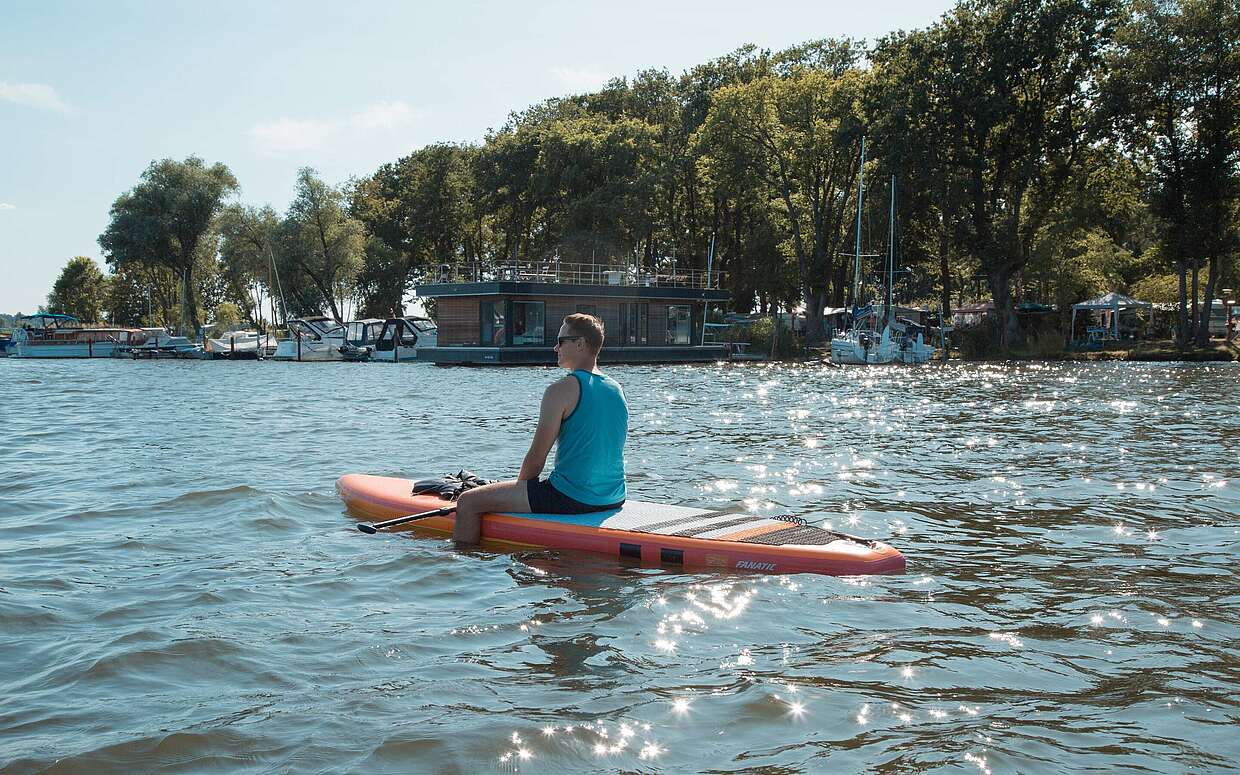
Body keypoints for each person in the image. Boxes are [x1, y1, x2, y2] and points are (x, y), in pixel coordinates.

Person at [453, 313, 628, 544]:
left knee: (467, 502)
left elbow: (536, 458)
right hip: (614, 497)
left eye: (561, 341)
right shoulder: (617, 389)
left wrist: (519, 491)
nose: (555, 347)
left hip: (573, 498)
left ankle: (464, 567)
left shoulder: (560, 390)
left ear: (580, 344)